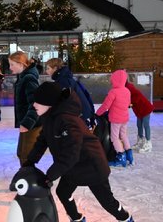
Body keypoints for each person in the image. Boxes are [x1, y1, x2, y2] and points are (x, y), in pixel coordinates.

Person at [23, 81, 134, 222]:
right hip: (74, 166)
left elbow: (71, 153)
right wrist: (30, 161)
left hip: (92, 165)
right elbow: (42, 140)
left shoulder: (67, 121)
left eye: (37, 102)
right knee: (63, 192)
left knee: (106, 201)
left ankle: (126, 218)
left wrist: (49, 176)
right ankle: (77, 219)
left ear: (49, 103)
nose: (34, 105)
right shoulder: (50, 118)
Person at [8, 51, 41, 166]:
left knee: (26, 155)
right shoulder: (23, 77)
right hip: (27, 122)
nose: (10, 67)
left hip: (32, 123)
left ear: (21, 64)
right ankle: (25, 176)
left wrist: (27, 123)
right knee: (21, 153)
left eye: (12, 64)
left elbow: (35, 103)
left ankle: (27, 179)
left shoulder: (28, 78)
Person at [96, 69, 132, 167]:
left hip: (116, 119)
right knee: (123, 135)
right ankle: (129, 155)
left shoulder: (113, 92)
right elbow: (128, 104)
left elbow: (106, 105)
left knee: (114, 138)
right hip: (125, 118)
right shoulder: (127, 91)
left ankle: (121, 157)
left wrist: (98, 113)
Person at [45, 58, 95, 129]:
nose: (46, 71)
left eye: (48, 68)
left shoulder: (63, 81)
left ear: (55, 68)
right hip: (80, 114)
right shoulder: (64, 78)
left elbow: (65, 100)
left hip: (79, 114)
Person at [125, 81, 154, 153]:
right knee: (139, 125)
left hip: (146, 110)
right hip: (139, 112)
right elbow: (131, 104)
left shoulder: (134, 93)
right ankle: (140, 141)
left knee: (146, 125)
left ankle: (148, 143)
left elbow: (132, 103)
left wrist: (127, 104)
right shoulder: (130, 92)